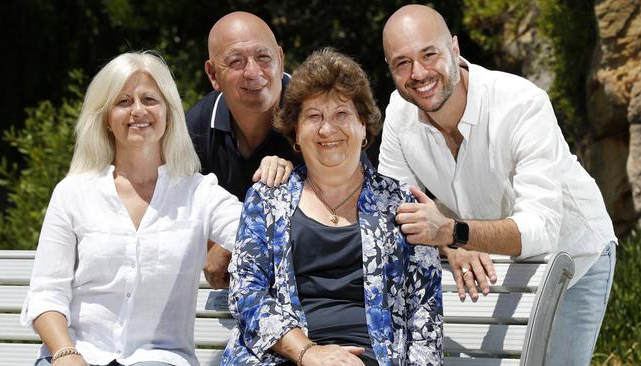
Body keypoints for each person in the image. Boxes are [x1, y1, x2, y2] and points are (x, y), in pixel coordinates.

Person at [379, 5, 617, 366]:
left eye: (429, 54)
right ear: (390, 69)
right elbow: (394, 210)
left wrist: (452, 232)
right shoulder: (398, 113)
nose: (419, 73)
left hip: (575, 258)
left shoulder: (522, 104)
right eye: (402, 63)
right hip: (489, 260)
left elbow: (540, 230)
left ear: (455, 49)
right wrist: (454, 246)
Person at [221, 48, 443, 366]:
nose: (327, 129)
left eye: (341, 114)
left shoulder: (400, 204)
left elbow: (424, 312)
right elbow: (246, 292)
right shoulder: (266, 199)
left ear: (364, 126)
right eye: (314, 116)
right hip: (282, 356)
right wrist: (308, 352)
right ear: (295, 133)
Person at [21, 52, 243, 366]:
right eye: (123, 102)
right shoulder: (72, 193)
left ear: (168, 113)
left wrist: (280, 175)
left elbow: (259, 233)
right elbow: (46, 294)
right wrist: (65, 353)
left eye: (150, 99)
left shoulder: (199, 193)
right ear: (106, 118)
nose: (138, 110)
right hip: (75, 354)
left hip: (161, 359)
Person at [185, 12, 300, 289]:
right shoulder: (196, 127)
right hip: (225, 293)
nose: (253, 72)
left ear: (280, 59)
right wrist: (214, 245)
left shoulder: (317, 115)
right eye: (236, 61)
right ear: (213, 75)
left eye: (263, 57)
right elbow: (177, 212)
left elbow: (352, 202)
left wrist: (235, 239)